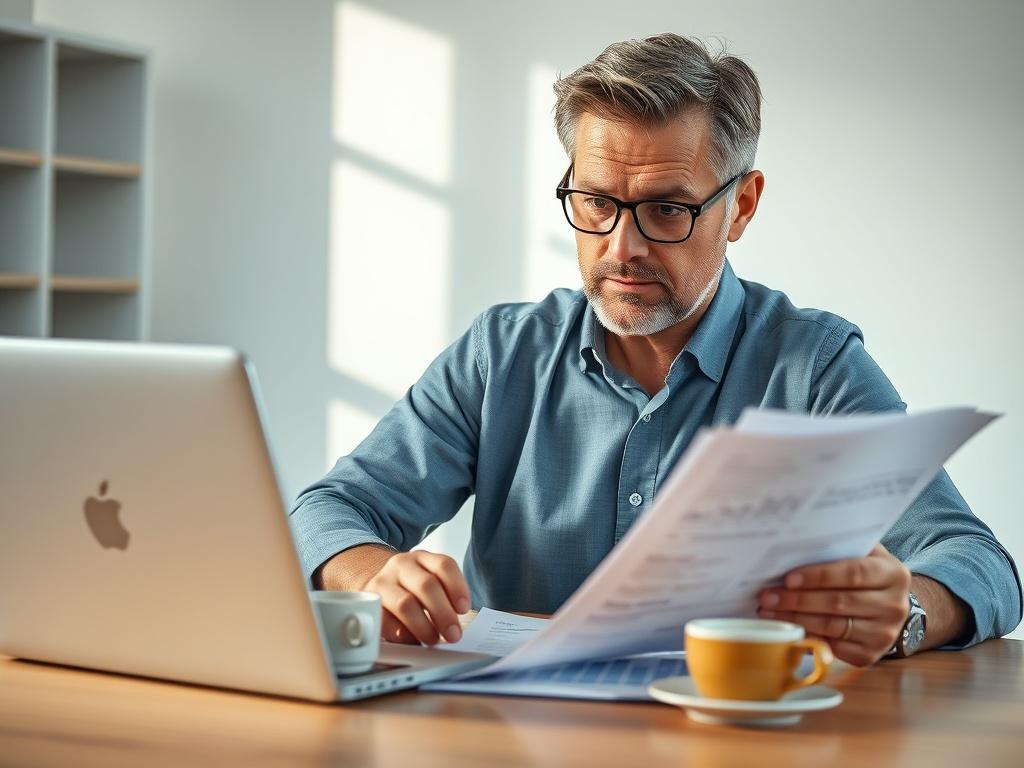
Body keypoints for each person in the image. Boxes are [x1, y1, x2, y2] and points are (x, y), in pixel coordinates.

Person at [291, 34, 1021, 666]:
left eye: (667, 209)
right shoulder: (500, 355)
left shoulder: (814, 368)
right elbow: (330, 509)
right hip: (509, 732)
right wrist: (370, 573)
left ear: (741, 206)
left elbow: (981, 565)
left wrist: (908, 613)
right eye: (597, 202)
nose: (621, 248)